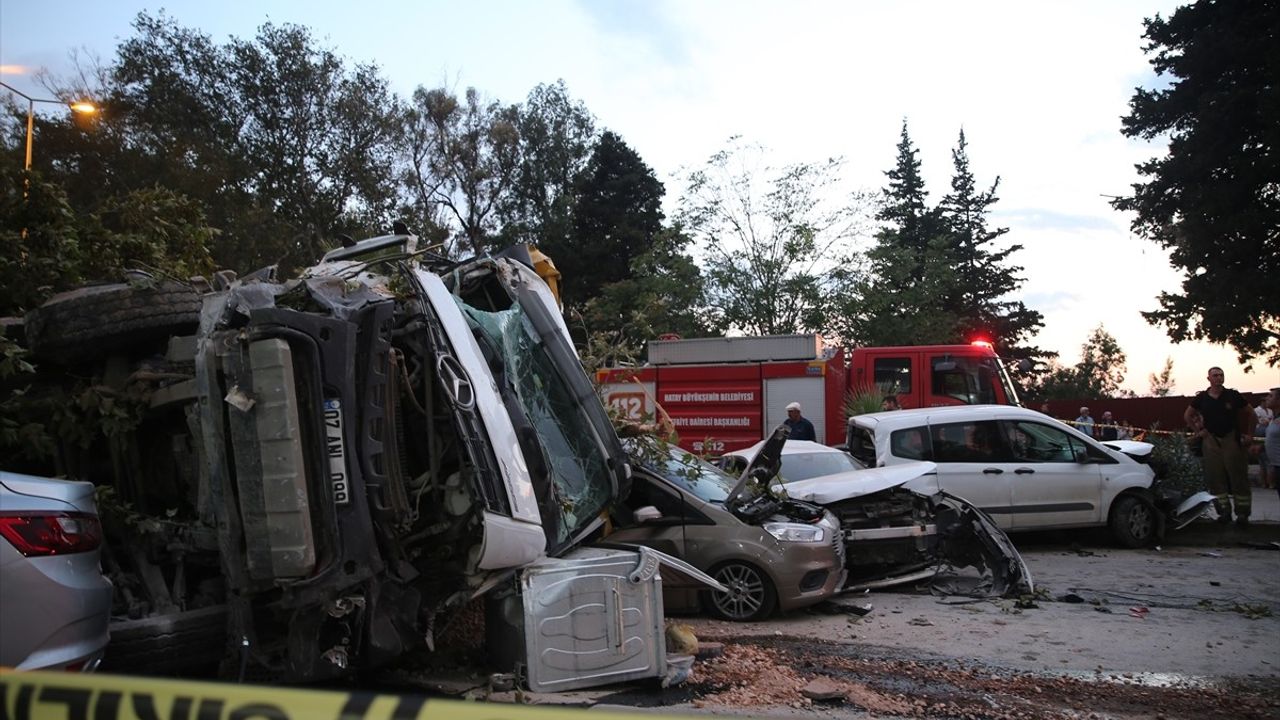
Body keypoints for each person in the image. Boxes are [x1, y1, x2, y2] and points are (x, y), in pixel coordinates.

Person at [1185, 367, 1253, 526]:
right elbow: (1187, 415)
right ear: (1208, 378)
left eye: (1221, 375)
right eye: (1215, 375)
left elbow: (1251, 413)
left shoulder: (1232, 395)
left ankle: (1243, 514)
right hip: (1211, 441)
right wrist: (1199, 432)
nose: (1219, 378)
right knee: (1215, 478)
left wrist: (1249, 434)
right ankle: (1224, 512)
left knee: (1238, 477)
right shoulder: (1202, 398)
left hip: (1231, 439)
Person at [1255, 396, 1275, 489]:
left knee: (1268, 462)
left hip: (1268, 432)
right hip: (1260, 432)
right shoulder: (1257, 410)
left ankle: (1270, 482)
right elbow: (1260, 422)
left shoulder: (1270, 411)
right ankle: (1264, 482)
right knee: (1263, 462)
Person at [1264, 387, 1280, 501]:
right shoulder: (1274, 418)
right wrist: (1260, 448)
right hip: (1276, 464)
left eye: (1271, 396)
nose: (1267, 398)